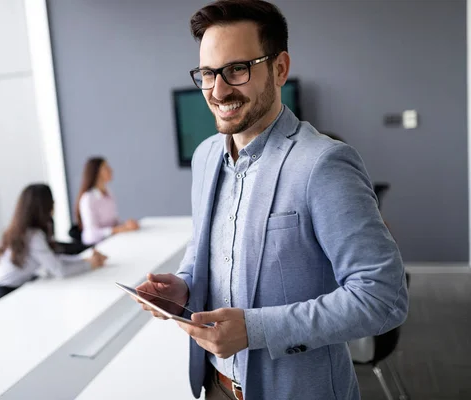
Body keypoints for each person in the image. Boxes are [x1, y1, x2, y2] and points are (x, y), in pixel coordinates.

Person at [136, 1, 409, 399]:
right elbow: (204, 258)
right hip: (214, 386)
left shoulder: (323, 164)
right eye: (208, 73)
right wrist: (183, 288)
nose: (218, 89)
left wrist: (256, 329)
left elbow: (383, 297)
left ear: (279, 68)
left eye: (236, 70)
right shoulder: (206, 156)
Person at [0, 184, 107, 305]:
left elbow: (54, 260)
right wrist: (90, 264)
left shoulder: (23, 231)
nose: (54, 204)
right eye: (51, 201)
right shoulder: (33, 236)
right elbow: (59, 271)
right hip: (2, 296)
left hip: (6, 289)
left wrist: (85, 260)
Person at [75, 157, 139, 245]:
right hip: (95, 245)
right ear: (97, 173)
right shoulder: (88, 198)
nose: (111, 170)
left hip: (112, 240)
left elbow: (113, 222)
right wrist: (118, 229)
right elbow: (92, 233)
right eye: (106, 168)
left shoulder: (109, 192)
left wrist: (126, 225)